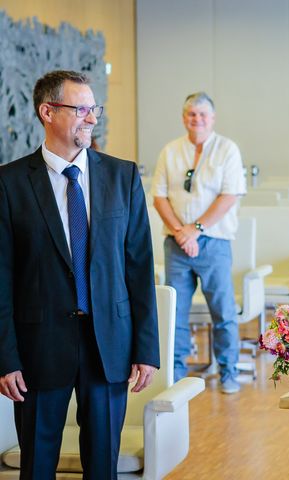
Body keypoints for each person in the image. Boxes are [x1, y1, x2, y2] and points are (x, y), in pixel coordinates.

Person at [0, 70, 159, 479]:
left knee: (103, 465)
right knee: (36, 466)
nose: (92, 118)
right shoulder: (9, 183)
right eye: (82, 109)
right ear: (47, 111)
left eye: (94, 109)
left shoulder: (122, 176)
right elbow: (0, 278)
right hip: (38, 349)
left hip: (109, 346)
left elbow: (139, 267)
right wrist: (5, 356)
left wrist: (146, 348)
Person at [151, 92, 246, 393]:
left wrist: (196, 229)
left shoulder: (227, 149)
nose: (197, 119)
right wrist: (181, 232)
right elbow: (159, 197)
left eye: (203, 114)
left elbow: (229, 196)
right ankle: (176, 374)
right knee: (175, 312)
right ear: (184, 118)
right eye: (192, 114)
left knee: (223, 311)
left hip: (214, 243)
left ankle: (229, 371)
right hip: (176, 244)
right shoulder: (170, 151)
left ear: (212, 118)